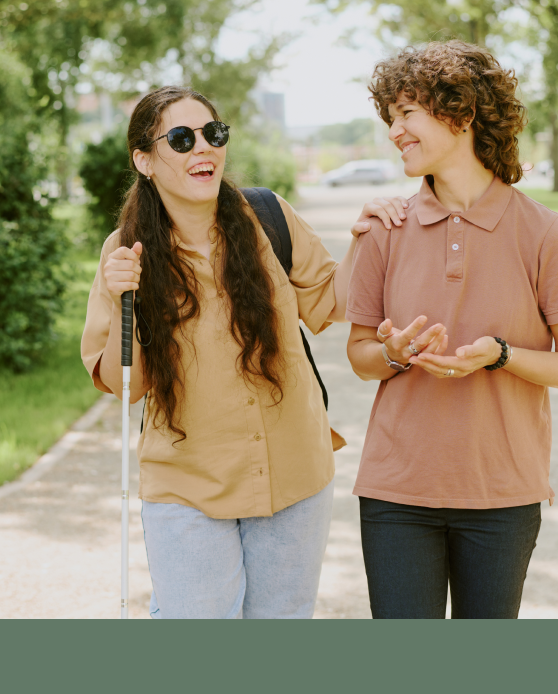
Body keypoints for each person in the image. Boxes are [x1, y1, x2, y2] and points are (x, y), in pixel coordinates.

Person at [81, 85, 407, 619]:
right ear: (144, 160)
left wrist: (364, 238)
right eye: (181, 139)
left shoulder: (268, 217)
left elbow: (330, 303)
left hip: (294, 472)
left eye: (214, 133)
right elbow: (126, 387)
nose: (203, 148)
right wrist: (123, 302)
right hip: (188, 483)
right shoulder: (123, 252)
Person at [345, 41, 558, 619]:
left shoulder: (543, 233)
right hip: (395, 492)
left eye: (407, 113)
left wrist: (501, 355)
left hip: (502, 492)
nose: (394, 131)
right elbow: (360, 355)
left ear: (460, 112)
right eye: (390, 118)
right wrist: (394, 352)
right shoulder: (387, 227)